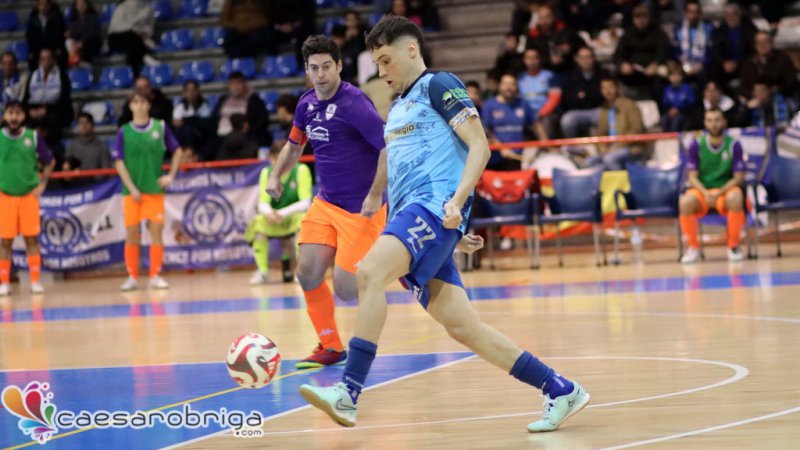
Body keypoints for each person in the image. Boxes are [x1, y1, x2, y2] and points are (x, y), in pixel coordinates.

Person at [299, 15, 589, 433]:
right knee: (463, 328)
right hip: (423, 221)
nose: (381, 72)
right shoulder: (397, 108)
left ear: (411, 49)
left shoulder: (439, 85)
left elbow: (479, 148)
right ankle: (559, 388)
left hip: (431, 210)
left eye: (385, 60)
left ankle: (348, 392)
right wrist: (451, 235)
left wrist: (456, 205)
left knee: (369, 272)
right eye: (376, 64)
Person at [266, 35, 387, 369]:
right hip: (326, 203)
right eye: (314, 68)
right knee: (307, 273)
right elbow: (294, 145)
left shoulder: (355, 103)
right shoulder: (306, 104)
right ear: (307, 69)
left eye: (326, 67)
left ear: (339, 66)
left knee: (347, 290)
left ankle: (398, 264)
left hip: (361, 208)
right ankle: (331, 346)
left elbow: (387, 147)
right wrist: (276, 175)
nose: (320, 74)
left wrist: (375, 193)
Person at [112, 92, 185, 291]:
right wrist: (132, 188)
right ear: (130, 106)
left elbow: (178, 151)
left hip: (154, 189)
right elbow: (118, 162)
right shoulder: (124, 131)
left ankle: (155, 275)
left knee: (156, 232)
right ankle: (132, 277)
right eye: (135, 102)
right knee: (132, 234)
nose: (139, 105)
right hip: (131, 192)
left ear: (148, 105)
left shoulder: (160, 127)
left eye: (143, 101)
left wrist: (170, 175)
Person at [0, 101, 55, 296]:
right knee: (5, 241)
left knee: (31, 239)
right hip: (5, 196)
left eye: (18, 113)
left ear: (23, 116)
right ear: (4, 116)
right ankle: (4, 282)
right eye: (10, 113)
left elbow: (50, 162)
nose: (14, 117)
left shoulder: (33, 136)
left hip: (28, 196)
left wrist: (43, 184)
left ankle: (35, 281)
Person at [679, 108, 746, 263]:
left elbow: (739, 178)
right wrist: (706, 193)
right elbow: (692, 177)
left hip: (725, 190)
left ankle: (733, 246)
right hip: (703, 191)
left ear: (724, 122)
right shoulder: (696, 144)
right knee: (685, 202)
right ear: (705, 123)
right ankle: (693, 247)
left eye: (717, 120)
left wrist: (719, 192)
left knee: (736, 198)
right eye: (710, 120)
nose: (714, 124)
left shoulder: (733, 144)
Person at [247, 142, 312, 284]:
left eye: (282, 157)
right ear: (270, 158)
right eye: (275, 158)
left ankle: (301, 271)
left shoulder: (301, 170)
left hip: (293, 216)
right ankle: (262, 272)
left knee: (303, 222)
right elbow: (262, 202)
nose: (279, 162)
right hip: (273, 218)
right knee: (258, 223)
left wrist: (282, 213)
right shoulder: (266, 172)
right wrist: (269, 213)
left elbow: (305, 202)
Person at [587, 76, 644, 170]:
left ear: (617, 88)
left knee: (610, 159)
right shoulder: (604, 109)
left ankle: (621, 180)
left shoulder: (630, 105)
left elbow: (637, 129)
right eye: (604, 88)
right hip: (610, 149)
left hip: (630, 148)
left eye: (610, 87)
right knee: (591, 161)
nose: (607, 91)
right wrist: (602, 147)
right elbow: (601, 132)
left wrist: (618, 145)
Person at [482, 73, 536, 170]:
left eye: (512, 84)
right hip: (495, 159)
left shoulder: (523, 104)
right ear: (499, 86)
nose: (509, 87)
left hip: (518, 158)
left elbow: (535, 125)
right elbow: (485, 131)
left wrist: (545, 145)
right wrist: (501, 147)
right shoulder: (488, 105)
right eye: (505, 84)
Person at [559, 46, 608, 139]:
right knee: (567, 120)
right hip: (577, 112)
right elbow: (567, 100)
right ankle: (573, 146)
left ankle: (604, 145)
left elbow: (604, 96)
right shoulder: (571, 76)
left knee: (609, 117)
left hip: (599, 110)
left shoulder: (603, 74)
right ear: (577, 60)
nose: (585, 61)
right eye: (582, 58)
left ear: (594, 58)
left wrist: (584, 95)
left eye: (588, 57)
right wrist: (590, 95)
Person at [107, 0, 159, 77]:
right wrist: (135, 30)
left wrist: (144, 32)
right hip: (118, 38)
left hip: (138, 40)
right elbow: (116, 28)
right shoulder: (121, 8)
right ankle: (144, 55)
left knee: (133, 47)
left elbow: (150, 27)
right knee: (132, 37)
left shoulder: (147, 9)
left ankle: (135, 74)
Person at [63, 112, 111, 178]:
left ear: (92, 125)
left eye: (87, 123)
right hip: (76, 182)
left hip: (97, 183)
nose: (84, 126)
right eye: (81, 123)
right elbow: (67, 170)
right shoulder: (71, 146)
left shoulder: (102, 146)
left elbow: (106, 171)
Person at [172, 80, 212, 153]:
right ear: (184, 93)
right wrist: (191, 120)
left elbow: (206, 123)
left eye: (193, 90)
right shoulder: (180, 107)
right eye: (188, 90)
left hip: (200, 136)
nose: (191, 93)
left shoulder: (204, 106)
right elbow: (176, 123)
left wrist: (186, 120)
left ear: (198, 92)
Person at [25, 0, 68, 69]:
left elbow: (59, 35)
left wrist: (49, 49)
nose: (43, 7)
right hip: (38, 48)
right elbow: (29, 37)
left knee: (61, 54)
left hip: (53, 47)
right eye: (41, 4)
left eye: (46, 4)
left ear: (50, 5)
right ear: (37, 6)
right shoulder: (32, 18)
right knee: (31, 56)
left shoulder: (57, 16)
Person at [66, 0, 102, 67]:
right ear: (75, 6)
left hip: (90, 43)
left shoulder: (93, 17)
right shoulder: (74, 20)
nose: (81, 6)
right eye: (78, 4)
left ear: (87, 5)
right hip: (78, 45)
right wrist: (69, 34)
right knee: (68, 42)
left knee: (90, 42)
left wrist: (82, 42)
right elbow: (74, 34)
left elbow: (92, 32)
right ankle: (75, 61)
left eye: (83, 4)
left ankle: (84, 63)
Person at [661, 67, 695, 132]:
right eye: (673, 75)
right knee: (663, 119)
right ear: (669, 77)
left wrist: (679, 110)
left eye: (678, 75)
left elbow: (691, 103)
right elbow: (665, 103)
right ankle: (665, 137)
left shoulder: (687, 88)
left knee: (676, 121)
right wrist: (670, 110)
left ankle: (675, 138)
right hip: (670, 112)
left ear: (681, 76)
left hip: (684, 113)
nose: (675, 78)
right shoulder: (667, 89)